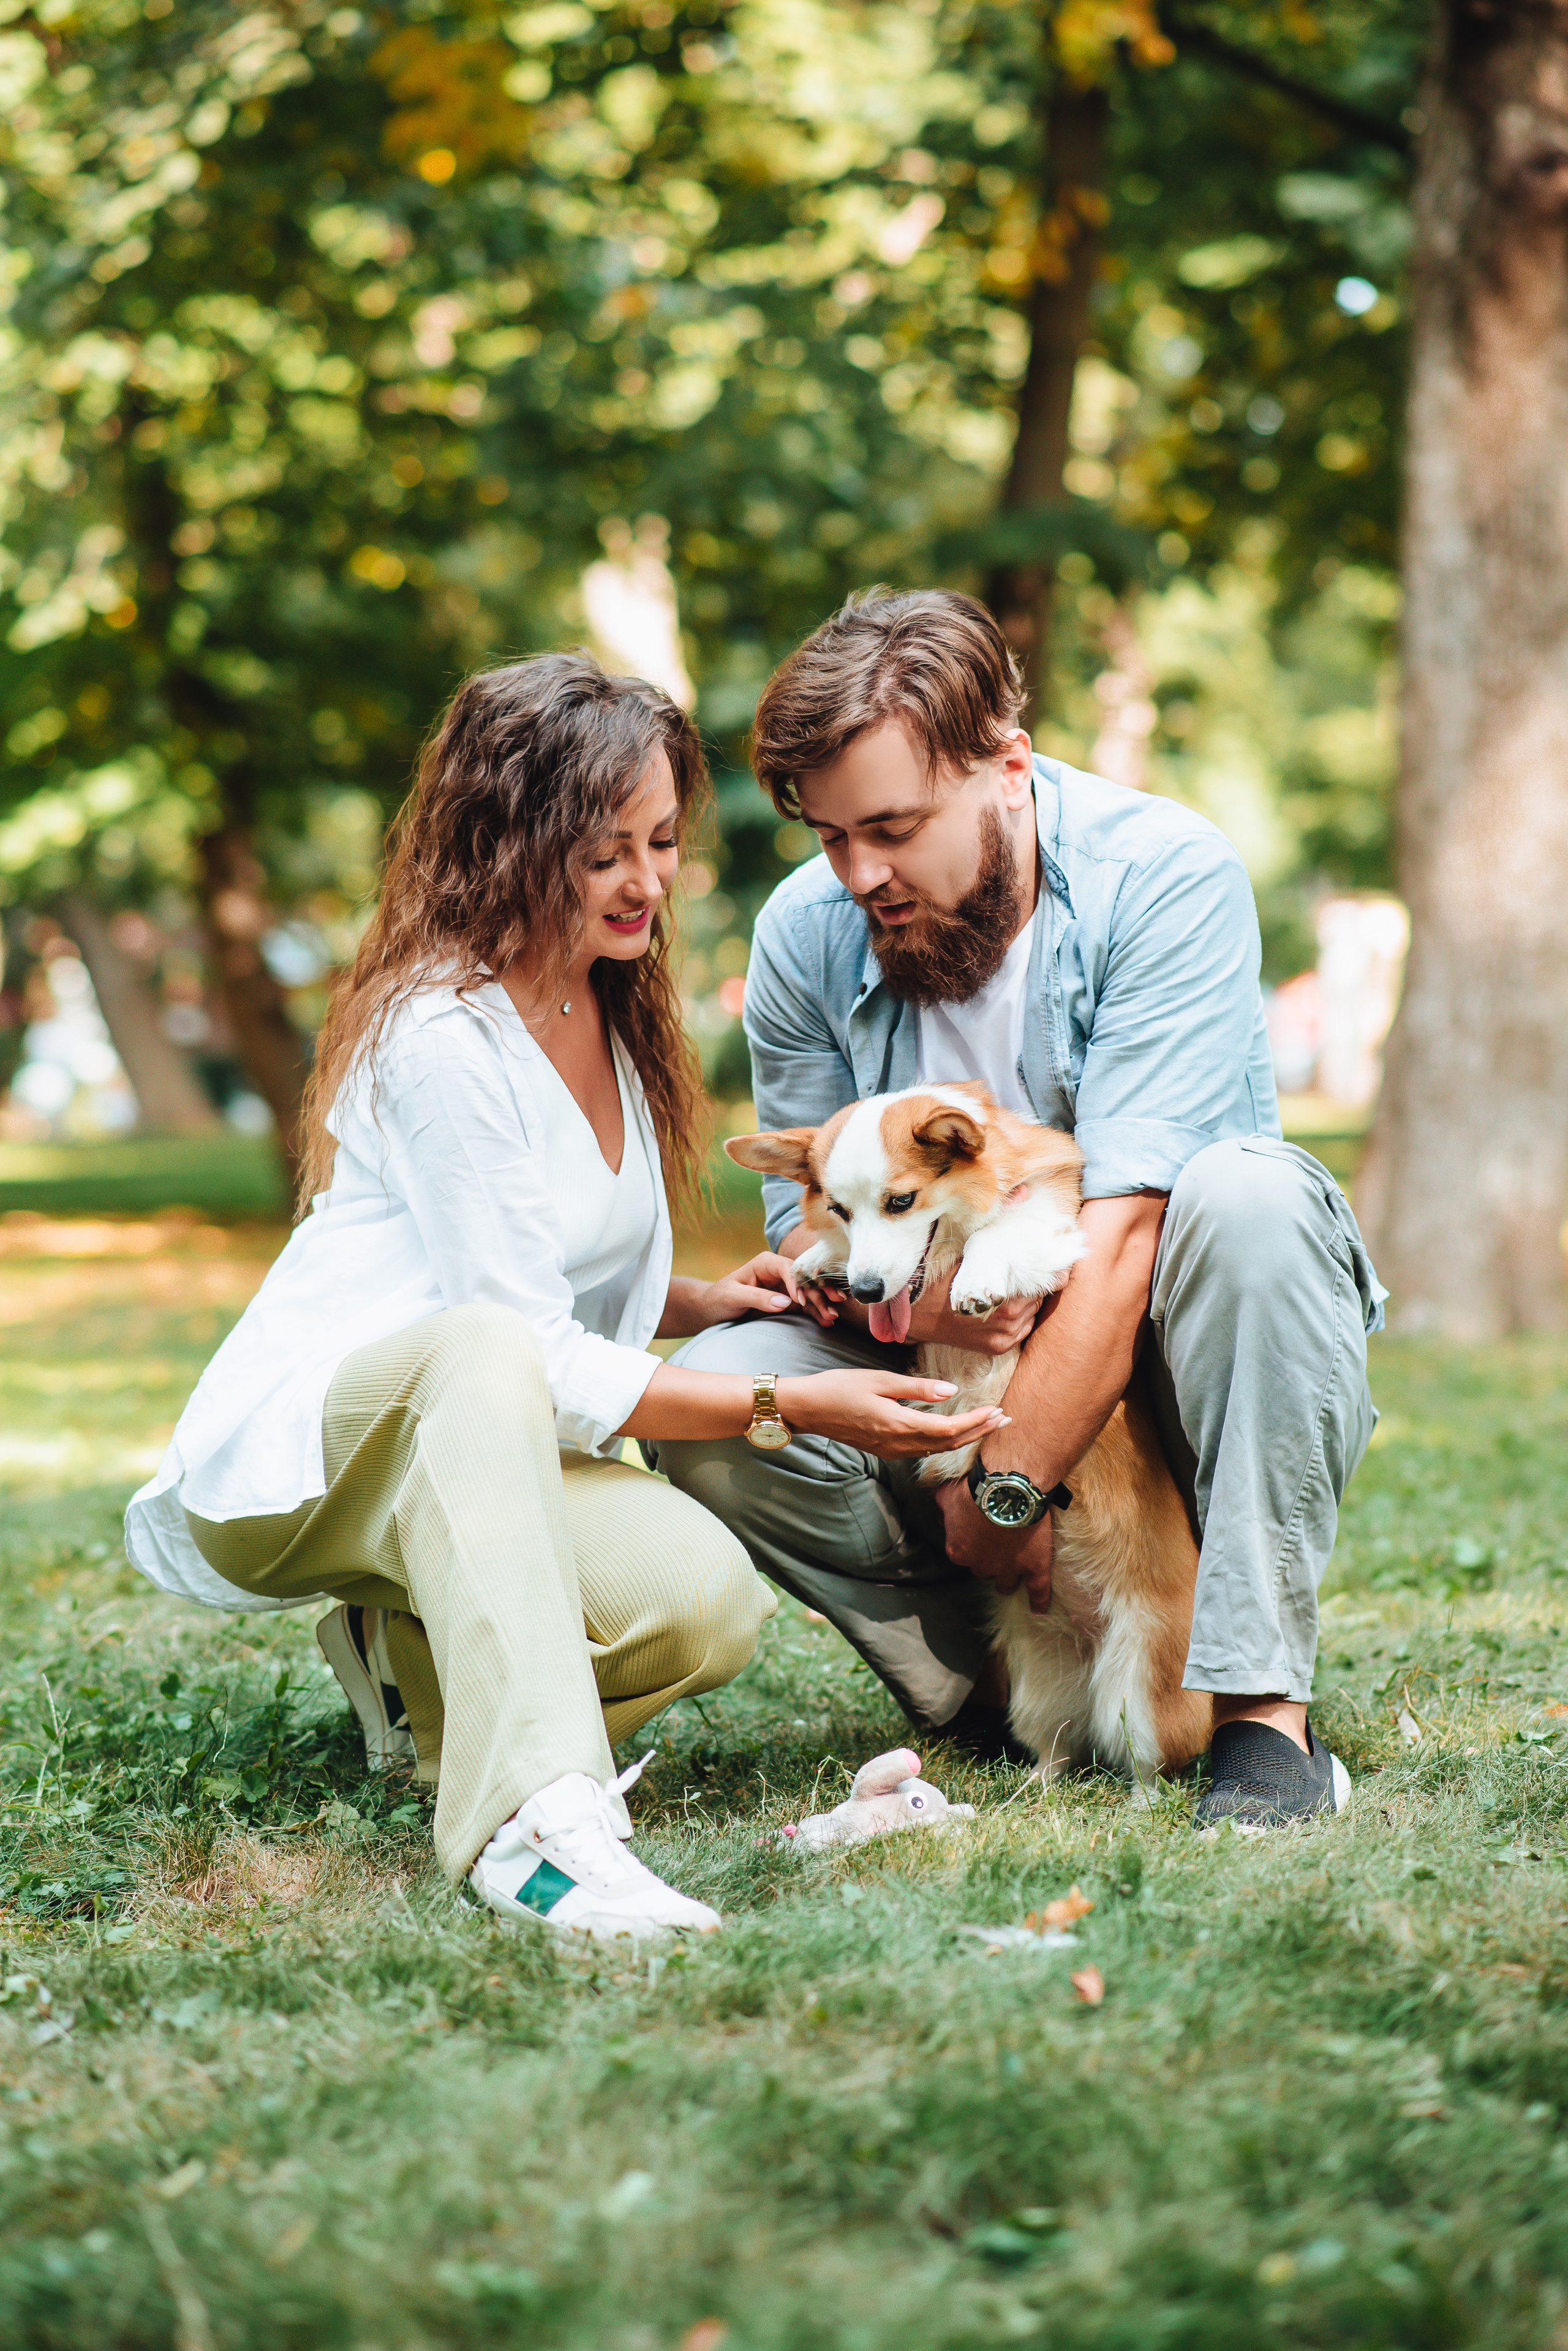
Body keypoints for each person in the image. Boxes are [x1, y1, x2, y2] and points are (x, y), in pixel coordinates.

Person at [124, 653, 1006, 1939]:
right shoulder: (438, 1031)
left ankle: (416, 1674)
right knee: (488, 1350)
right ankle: (531, 1819)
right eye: (605, 851)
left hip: (477, 1423)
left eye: (660, 842)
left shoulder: (608, 1003)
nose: (645, 879)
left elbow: (551, 1269)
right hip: (314, 1447)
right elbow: (515, 1335)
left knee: (701, 1601)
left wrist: (702, 1299)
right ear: (510, 841)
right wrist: (792, 1402)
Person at [648, 591, 1383, 1830]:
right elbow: (809, 1233)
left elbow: (1129, 1230)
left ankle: (1257, 1712)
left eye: (889, 827)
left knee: (1250, 1200)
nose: (858, 875)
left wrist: (1003, 1490)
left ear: (1003, 765)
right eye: (828, 837)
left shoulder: (1163, 875)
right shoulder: (803, 933)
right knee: (725, 1390)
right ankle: (986, 1681)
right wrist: (937, 1376)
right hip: (939, 1361)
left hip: (1159, 1352)